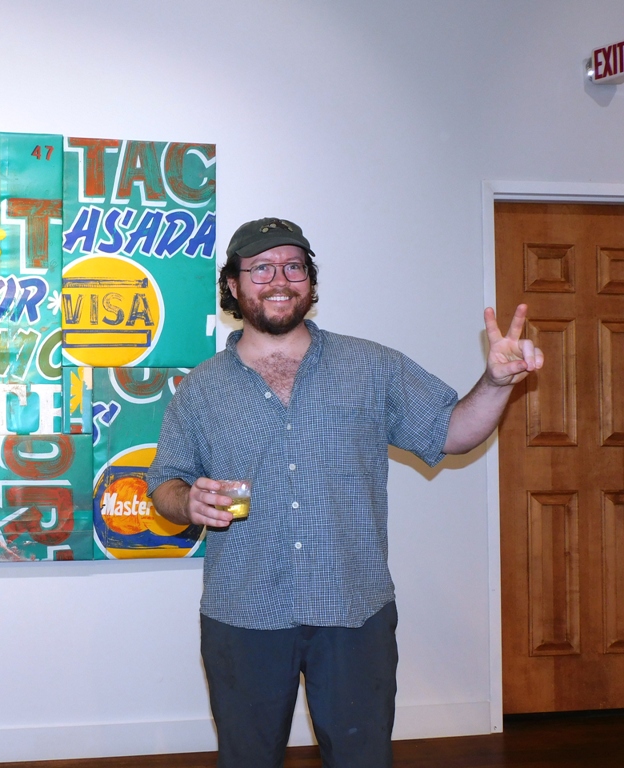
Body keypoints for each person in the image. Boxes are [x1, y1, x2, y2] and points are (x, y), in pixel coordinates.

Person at [145, 217, 543, 768]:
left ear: (310, 281)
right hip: (242, 612)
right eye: (260, 268)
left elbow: (451, 432)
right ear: (233, 284)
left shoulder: (372, 365)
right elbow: (163, 482)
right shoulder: (201, 388)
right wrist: (186, 501)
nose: (279, 279)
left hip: (354, 610)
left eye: (293, 266)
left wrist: (496, 383)